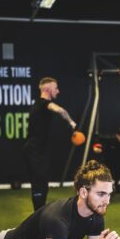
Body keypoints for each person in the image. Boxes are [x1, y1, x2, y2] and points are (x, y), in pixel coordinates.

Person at [23, 77, 77, 211]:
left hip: (36, 150)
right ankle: (38, 217)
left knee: (41, 184)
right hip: (34, 150)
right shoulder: (43, 103)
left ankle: (39, 214)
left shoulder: (39, 105)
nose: (58, 91)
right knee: (39, 185)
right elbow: (60, 110)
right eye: (55, 88)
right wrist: (71, 123)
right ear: (47, 89)